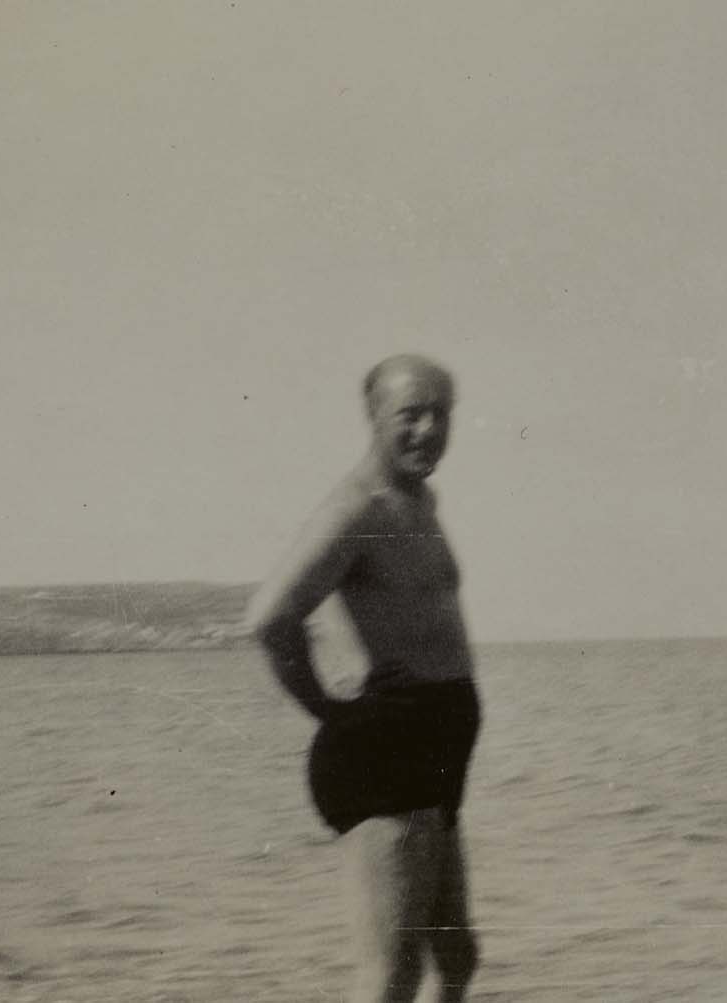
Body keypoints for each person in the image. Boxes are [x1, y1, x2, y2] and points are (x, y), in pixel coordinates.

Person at [247, 354, 483, 1002]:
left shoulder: (420, 500)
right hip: (386, 753)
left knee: (458, 956)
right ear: (373, 417)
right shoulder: (357, 510)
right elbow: (269, 616)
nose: (429, 429)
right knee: (392, 969)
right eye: (411, 413)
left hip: (436, 753)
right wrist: (324, 704)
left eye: (441, 413)